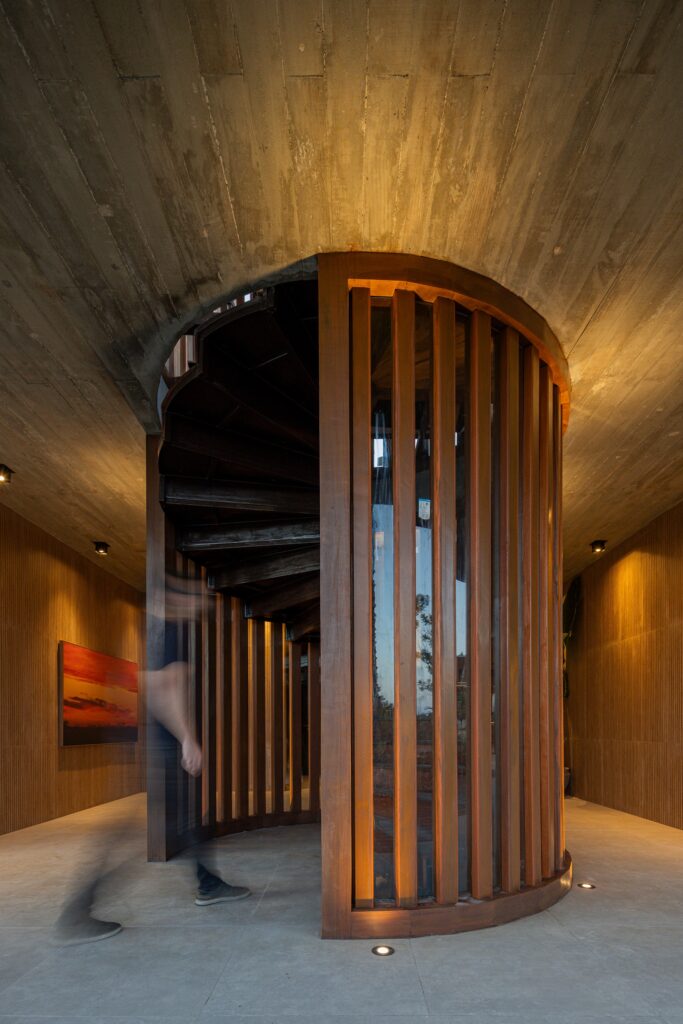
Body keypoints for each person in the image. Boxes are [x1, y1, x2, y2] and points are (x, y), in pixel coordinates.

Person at [55, 573, 250, 946]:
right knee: (131, 834)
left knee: (183, 821)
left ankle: (207, 882)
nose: (199, 602)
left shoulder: (160, 631)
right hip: (164, 746)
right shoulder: (170, 632)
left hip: (157, 744)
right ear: (175, 598)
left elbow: (157, 686)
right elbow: (165, 688)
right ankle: (76, 914)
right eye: (193, 595)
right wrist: (187, 739)